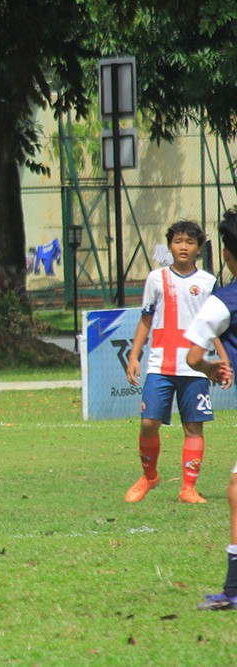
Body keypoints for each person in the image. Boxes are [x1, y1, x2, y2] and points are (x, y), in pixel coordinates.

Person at [124, 220, 226, 504]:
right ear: (169, 245)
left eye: (190, 242)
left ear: (198, 249)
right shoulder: (156, 279)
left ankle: (188, 488)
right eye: (178, 241)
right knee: (148, 423)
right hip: (160, 365)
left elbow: (217, 324)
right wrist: (134, 356)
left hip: (196, 367)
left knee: (193, 427)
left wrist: (224, 360)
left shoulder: (207, 282)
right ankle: (150, 476)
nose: (183, 247)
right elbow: (146, 319)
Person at [185, 208, 237, 610]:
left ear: (226, 253)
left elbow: (191, 357)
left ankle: (234, 590)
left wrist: (211, 367)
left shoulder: (223, 302)